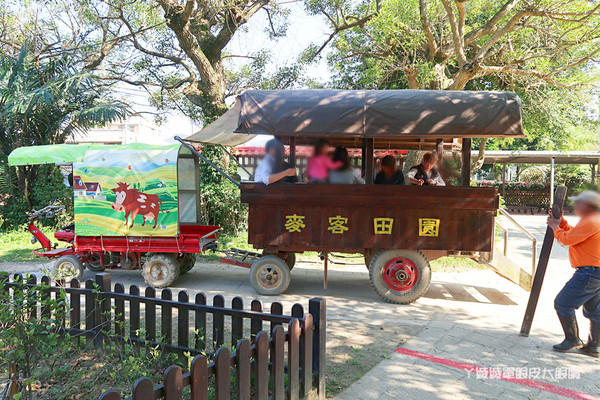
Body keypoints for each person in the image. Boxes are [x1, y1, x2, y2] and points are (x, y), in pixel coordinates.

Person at [547, 190, 600, 357]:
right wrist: (561, 223)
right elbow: (574, 235)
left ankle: (573, 339)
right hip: (595, 273)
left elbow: (567, 239)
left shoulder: (592, 220)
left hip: (589, 273)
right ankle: (594, 347)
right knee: (594, 310)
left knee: (563, 303)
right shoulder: (593, 219)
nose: (576, 206)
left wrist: (555, 227)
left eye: (579, 203)